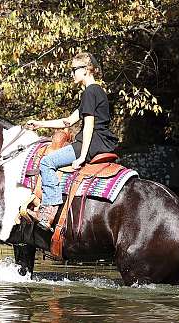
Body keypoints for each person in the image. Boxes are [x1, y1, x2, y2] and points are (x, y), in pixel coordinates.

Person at [27, 52, 118, 230]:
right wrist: (39, 124)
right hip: (100, 141)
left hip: (92, 143)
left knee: (46, 162)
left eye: (74, 70)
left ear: (85, 70)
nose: (72, 74)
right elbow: (68, 122)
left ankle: (49, 210)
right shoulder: (95, 91)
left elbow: (89, 125)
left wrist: (82, 156)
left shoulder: (90, 92)